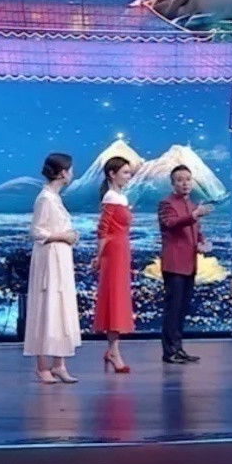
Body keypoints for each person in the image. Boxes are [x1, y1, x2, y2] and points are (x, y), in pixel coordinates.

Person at [24, 153, 81, 384]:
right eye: (71, 169)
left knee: (60, 307)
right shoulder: (45, 199)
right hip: (49, 258)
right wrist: (63, 236)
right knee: (46, 305)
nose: (72, 173)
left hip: (60, 258)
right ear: (63, 172)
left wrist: (69, 236)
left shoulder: (55, 198)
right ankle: (42, 366)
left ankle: (59, 364)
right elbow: (36, 231)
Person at [157, 165, 212, 364]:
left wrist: (202, 243)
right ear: (173, 183)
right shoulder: (166, 204)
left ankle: (178, 348)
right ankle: (169, 351)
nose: (185, 183)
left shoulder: (192, 204)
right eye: (180, 180)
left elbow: (196, 230)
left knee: (182, 309)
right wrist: (194, 215)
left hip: (189, 263)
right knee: (173, 309)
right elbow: (171, 223)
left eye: (188, 179)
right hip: (174, 264)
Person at [92, 156, 135, 374]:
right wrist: (98, 256)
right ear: (112, 174)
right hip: (114, 252)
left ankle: (112, 350)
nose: (129, 176)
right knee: (115, 300)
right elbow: (103, 229)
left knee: (118, 298)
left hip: (121, 250)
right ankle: (114, 351)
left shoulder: (120, 198)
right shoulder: (111, 198)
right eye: (125, 172)